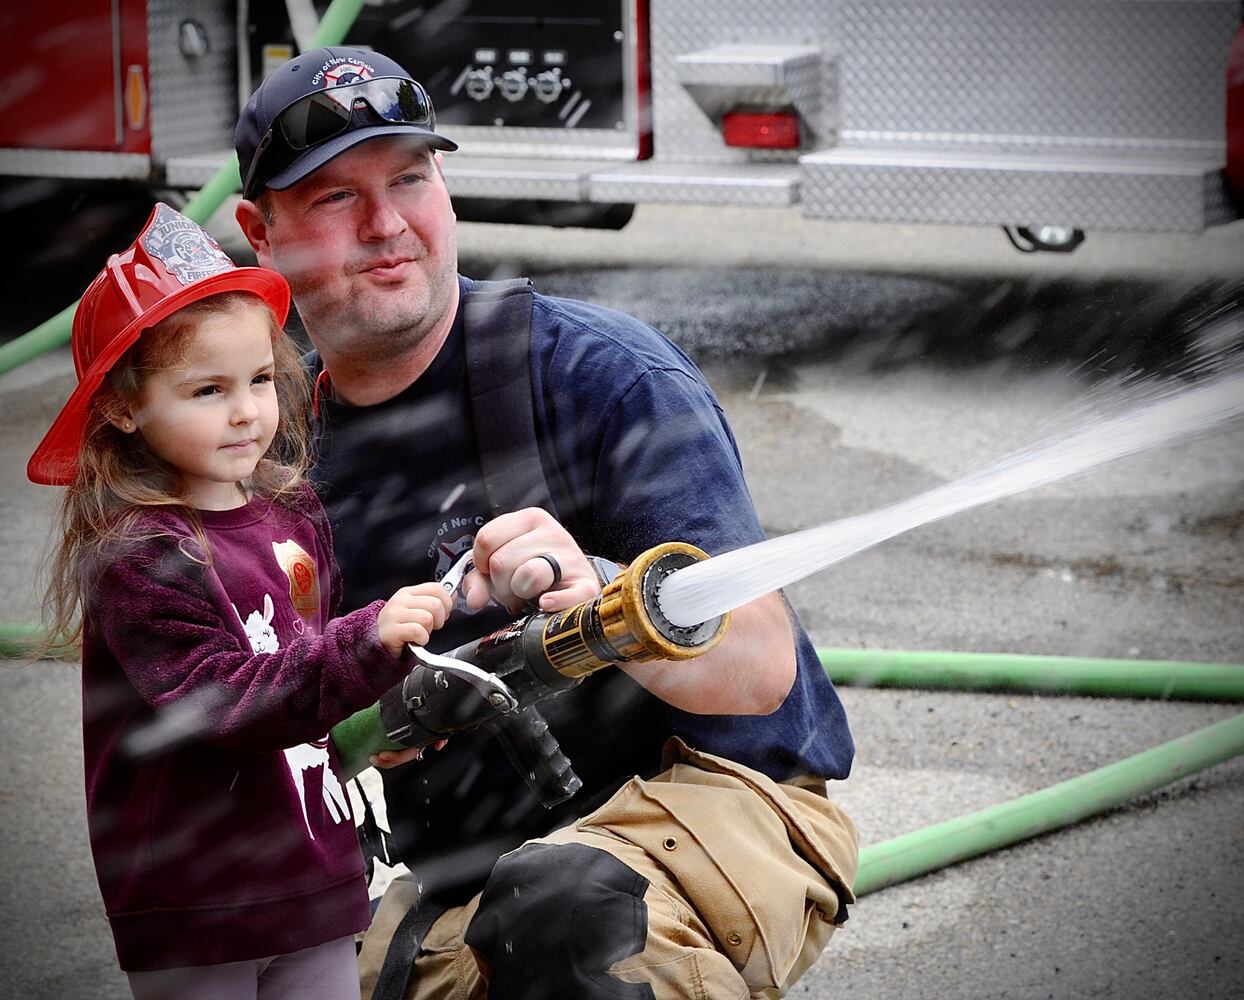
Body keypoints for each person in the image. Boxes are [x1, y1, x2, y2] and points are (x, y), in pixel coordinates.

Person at [235, 46, 859, 998]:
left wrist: (607, 597)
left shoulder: (603, 377)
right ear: (259, 230)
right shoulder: (275, 461)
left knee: (566, 911)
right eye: (334, 198)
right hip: (470, 870)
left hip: (711, 801)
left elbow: (762, 667)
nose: (387, 223)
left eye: (410, 179)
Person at [27, 204, 454, 1000]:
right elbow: (229, 698)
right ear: (122, 407)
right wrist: (365, 648)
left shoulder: (292, 516)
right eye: (207, 389)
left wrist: (369, 722)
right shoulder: (141, 557)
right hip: (199, 897)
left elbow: (306, 672)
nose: (246, 410)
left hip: (313, 873)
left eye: (260, 378)